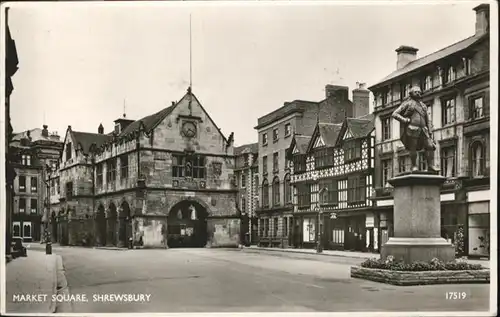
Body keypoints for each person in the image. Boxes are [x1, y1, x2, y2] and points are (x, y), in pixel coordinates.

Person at [392, 86, 439, 172]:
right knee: (412, 148)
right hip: (412, 128)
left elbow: (427, 120)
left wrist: (430, 131)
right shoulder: (407, 103)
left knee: (429, 146)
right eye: (415, 92)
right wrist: (404, 120)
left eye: (419, 92)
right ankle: (414, 166)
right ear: (411, 93)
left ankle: (430, 165)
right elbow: (395, 114)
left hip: (423, 129)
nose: (418, 93)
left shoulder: (423, 106)